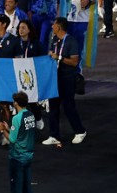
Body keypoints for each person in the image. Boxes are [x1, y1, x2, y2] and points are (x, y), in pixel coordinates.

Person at [43, 17, 86, 147]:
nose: (52, 27)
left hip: (67, 78)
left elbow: (74, 61)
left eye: (54, 25)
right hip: (55, 77)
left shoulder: (71, 41)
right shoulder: (55, 40)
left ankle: (80, 131)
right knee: (53, 107)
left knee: (68, 106)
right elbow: (51, 55)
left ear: (59, 27)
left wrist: (59, 58)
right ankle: (54, 135)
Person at [0, 91, 36, 193]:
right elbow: (22, 132)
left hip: (18, 157)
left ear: (15, 103)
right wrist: (7, 128)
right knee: (27, 187)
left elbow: (12, 139)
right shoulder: (31, 115)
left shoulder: (16, 118)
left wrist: (2, 130)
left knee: (17, 187)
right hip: (28, 156)